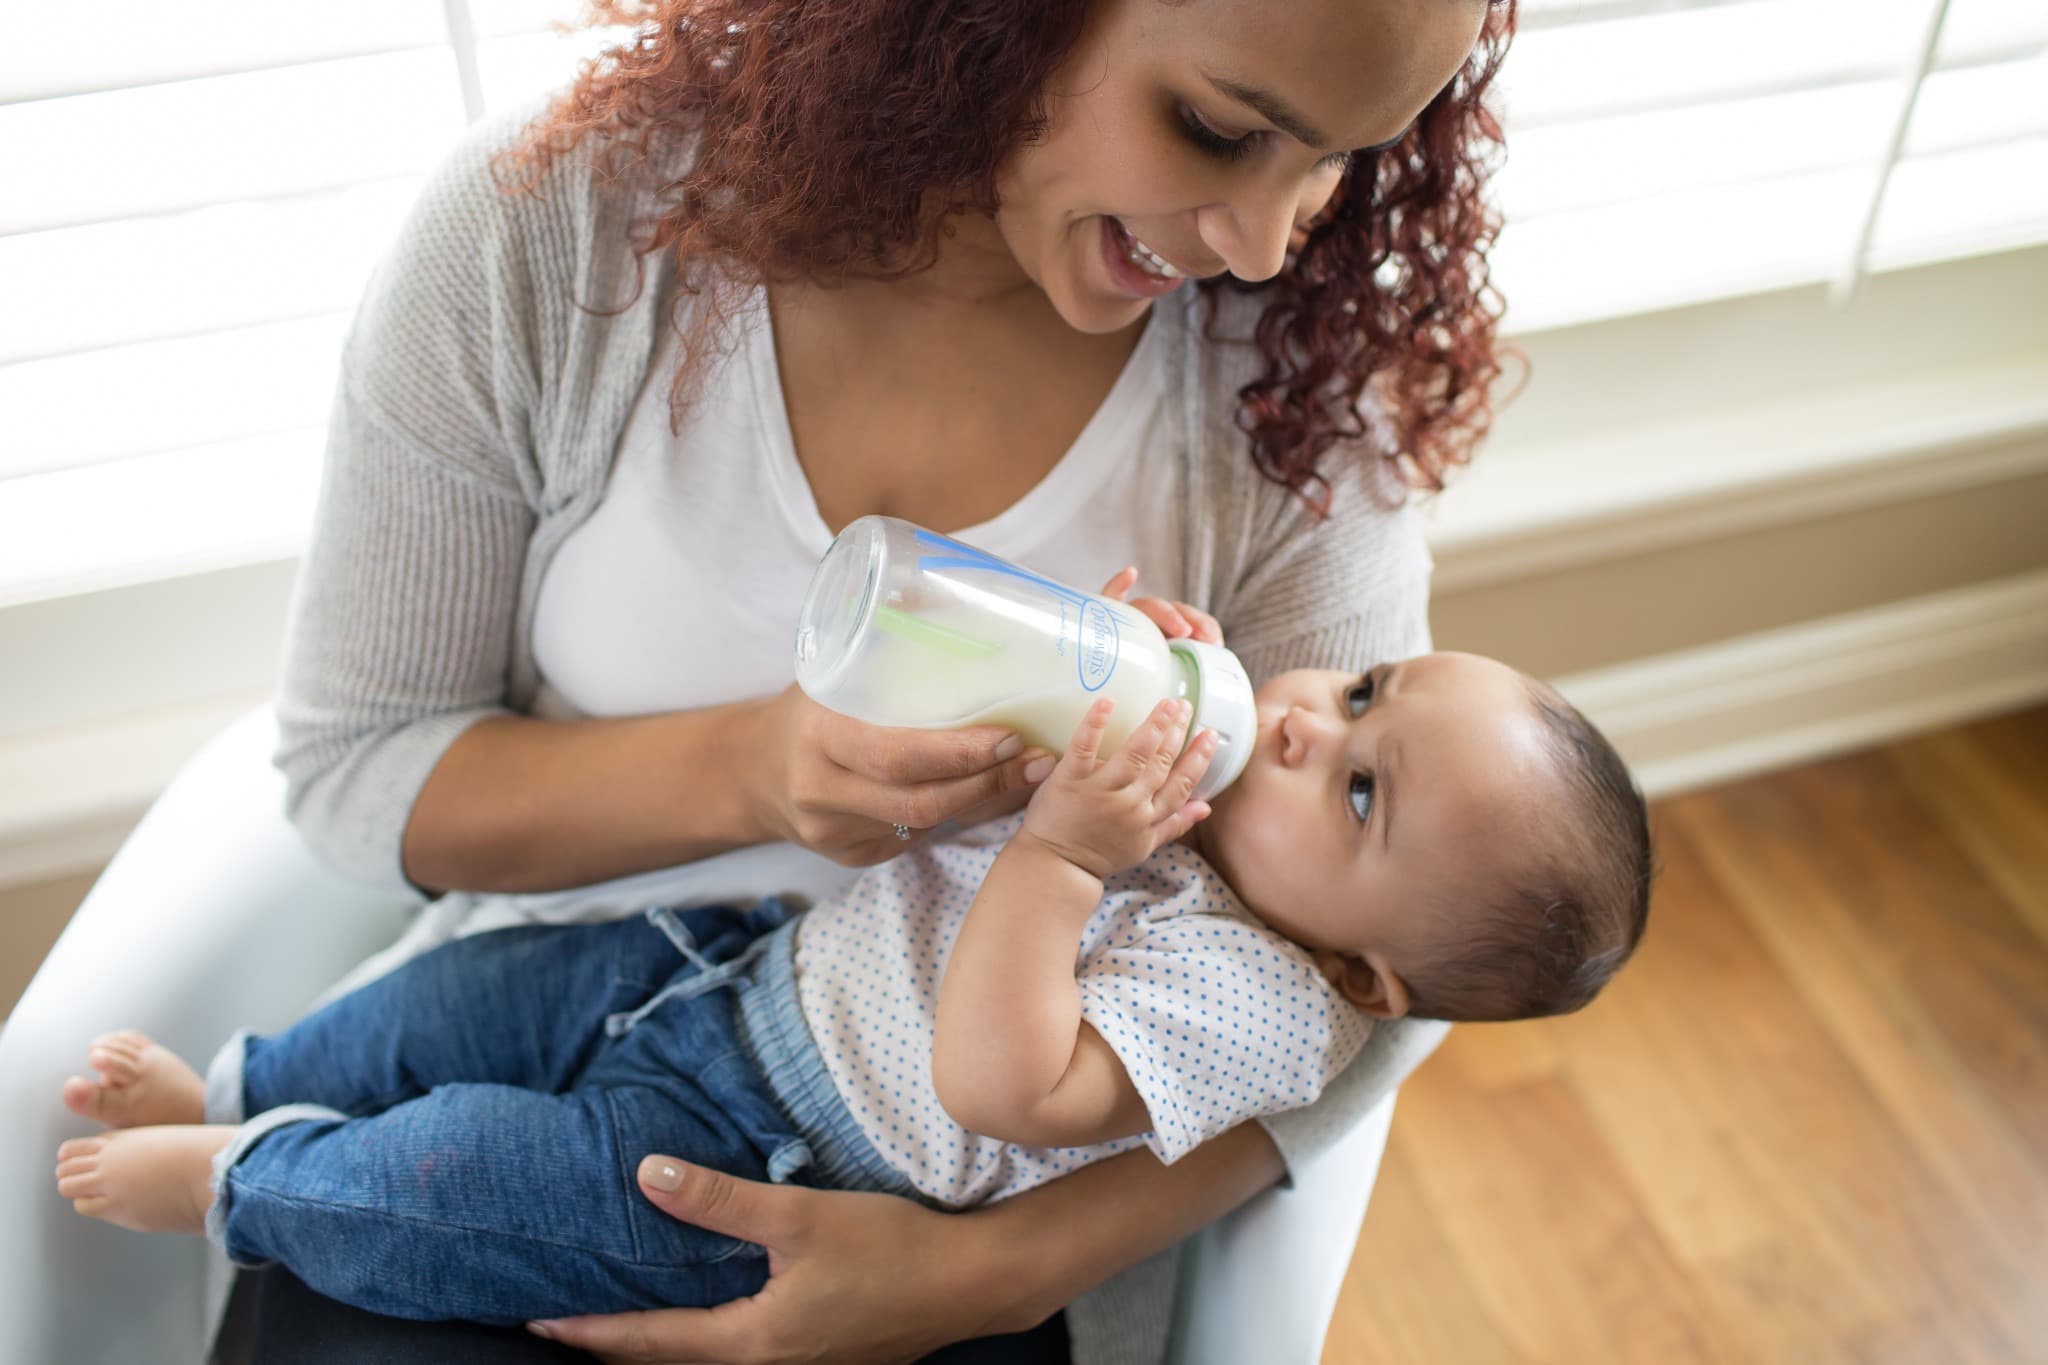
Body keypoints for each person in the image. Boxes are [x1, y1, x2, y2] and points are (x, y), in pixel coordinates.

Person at [76, 0, 1523, 1356]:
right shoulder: (558, 240)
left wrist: (993, 1273)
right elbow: (357, 770)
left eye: (1340, 155)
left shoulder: (1301, 398)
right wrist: (751, 769)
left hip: (949, 1201)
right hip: (542, 1042)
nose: (1271, 241)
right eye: (1217, 128)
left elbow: (1384, 961)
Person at [55, 618, 1651, 1325]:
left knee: (468, 1185)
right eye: (1364, 689)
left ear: (1371, 976)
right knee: (462, 1007)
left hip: (769, 1160)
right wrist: (1082, 671)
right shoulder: (1201, 787)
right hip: (733, 972)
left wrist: (1069, 852)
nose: (1308, 722)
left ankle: (243, 1181)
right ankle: (257, 1081)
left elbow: (1001, 1078)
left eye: (1361, 790)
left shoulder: (1265, 1006)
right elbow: (988, 747)